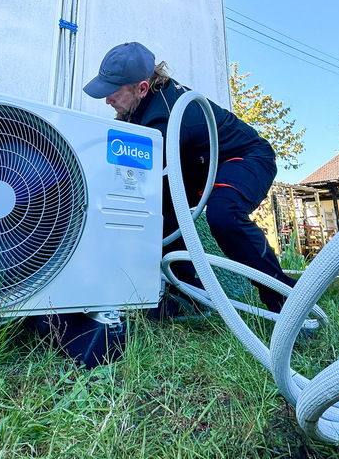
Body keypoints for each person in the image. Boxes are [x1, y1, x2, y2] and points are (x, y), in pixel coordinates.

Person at [83, 41, 295, 313]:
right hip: (202, 165)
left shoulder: (165, 117)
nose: (107, 100)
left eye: (113, 92)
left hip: (248, 157)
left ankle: (285, 299)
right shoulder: (140, 108)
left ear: (142, 87)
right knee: (160, 209)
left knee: (223, 214)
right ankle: (190, 297)